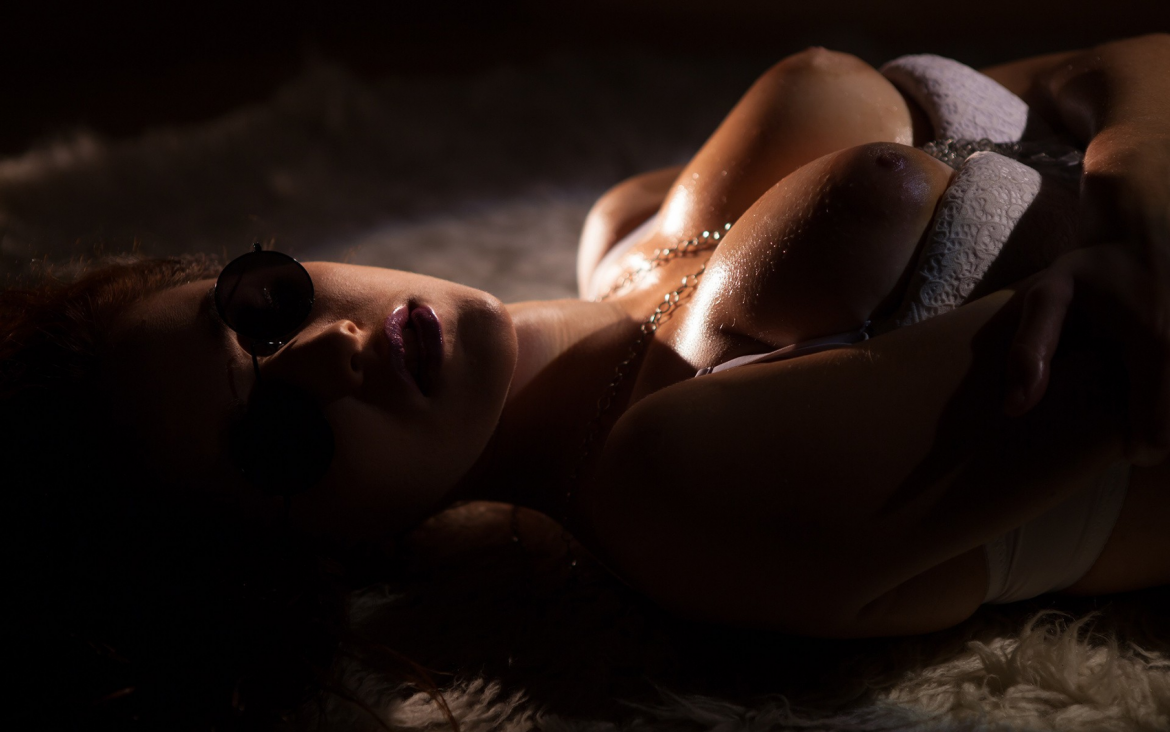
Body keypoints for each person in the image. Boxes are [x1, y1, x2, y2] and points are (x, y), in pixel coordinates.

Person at [5, 33, 1169, 728]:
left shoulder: (629, 230)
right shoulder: (679, 491)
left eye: (258, 309)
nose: (325, 354)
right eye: (277, 440)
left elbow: (1096, 73)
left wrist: (1131, 161)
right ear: (314, 563)